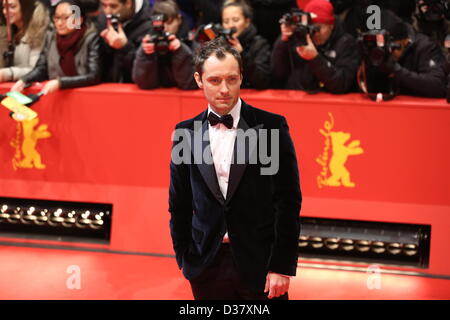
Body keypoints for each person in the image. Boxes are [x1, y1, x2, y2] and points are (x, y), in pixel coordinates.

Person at [168, 37, 301, 300]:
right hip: (206, 264)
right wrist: (185, 259)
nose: (225, 89)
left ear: (242, 77)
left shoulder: (269, 128)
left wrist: (281, 266)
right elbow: (179, 203)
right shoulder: (185, 133)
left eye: (232, 79)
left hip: (261, 264)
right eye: (214, 80)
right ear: (199, 80)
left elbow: (287, 202)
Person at [11, 0, 101, 94]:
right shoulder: (51, 37)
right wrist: (24, 80)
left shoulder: (91, 38)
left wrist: (60, 82)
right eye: (57, 18)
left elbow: (93, 76)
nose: (59, 23)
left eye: (66, 18)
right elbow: (41, 68)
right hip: (57, 95)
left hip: (86, 95)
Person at [271, 0, 359, 93]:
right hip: (297, 98)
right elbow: (277, 74)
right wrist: (283, 41)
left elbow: (341, 84)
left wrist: (315, 59)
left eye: (319, 27)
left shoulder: (346, 43)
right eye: (311, 27)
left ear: (331, 26)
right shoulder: (298, 37)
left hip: (328, 102)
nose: (315, 33)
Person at [132, 0, 197, 89]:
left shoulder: (191, 43)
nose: (165, 28)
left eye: (169, 23)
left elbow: (190, 84)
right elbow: (144, 84)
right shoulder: (148, 43)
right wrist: (146, 55)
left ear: (179, 19)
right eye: (161, 24)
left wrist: (180, 51)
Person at [373, 21, 447, 98]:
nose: (389, 53)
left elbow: (437, 87)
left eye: (393, 48)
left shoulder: (426, 47)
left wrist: (397, 70)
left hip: (421, 103)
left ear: (406, 42)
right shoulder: (380, 54)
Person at [220, 0, 271, 89]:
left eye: (235, 20)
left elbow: (262, 81)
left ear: (247, 22)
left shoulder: (260, 44)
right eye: (226, 21)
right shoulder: (219, 44)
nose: (231, 25)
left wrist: (241, 54)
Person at [97, 0, 152, 82]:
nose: (107, 11)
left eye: (113, 6)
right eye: (104, 5)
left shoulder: (150, 23)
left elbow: (146, 72)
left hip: (135, 88)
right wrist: (105, 45)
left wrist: (124, 47)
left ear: (128, 3)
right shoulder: (103, 18)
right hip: (108, 86)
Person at [0, 0, 49, 81]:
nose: (6, 12)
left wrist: (7, 73)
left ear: (26, 7)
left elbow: (36, 70)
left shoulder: (40, 31)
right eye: (4, 7)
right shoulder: (7, 32)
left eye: (12, 7)